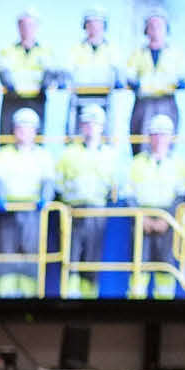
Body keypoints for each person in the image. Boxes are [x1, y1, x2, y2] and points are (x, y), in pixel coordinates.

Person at [121, 112, 185, 297]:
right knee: (139, 269)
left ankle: (164, 313)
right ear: (149, 136)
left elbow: (181, 196)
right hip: (140, 222)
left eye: (164, 134)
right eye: (156, 133)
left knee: (165, 271)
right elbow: (127, 194)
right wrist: (142, 218)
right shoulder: (136, 163)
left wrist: (166, 220)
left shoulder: (179, 164)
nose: (160, 138)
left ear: (171, 137)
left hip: (167, 222)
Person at [54, 103, 122, 288]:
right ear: (81, 126)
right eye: (87, 123)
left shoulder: (110, 155)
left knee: (92, 261)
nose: (91, 127)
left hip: (98, 212)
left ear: (102, 126)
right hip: (72, 213)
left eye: (95, 123)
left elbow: (114, 187)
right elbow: (58, 185)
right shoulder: (68, 154)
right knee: (70, 260)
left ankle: (89, 306)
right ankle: (69, 301)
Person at [0, 107, 56, 289]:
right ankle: (5, 300)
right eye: (20, 127)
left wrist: (45, 200)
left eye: (28, 128)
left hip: (33, 214)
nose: (23, 132)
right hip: (8, 213)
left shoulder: (43, 155)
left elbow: (48, 183)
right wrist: (0, 198)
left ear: (35, 131)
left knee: (31, 256)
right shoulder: (3, 154)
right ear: (13, 130)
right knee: (7, 255)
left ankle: (30, 300)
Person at [124, 7, 185, 144]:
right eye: (151, 26)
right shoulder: (137, 54)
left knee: (166, 143)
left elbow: (182, 77)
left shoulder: (175, 55)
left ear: (166, 29)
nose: (155, 30)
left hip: (167, 103)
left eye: (159, 26)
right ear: (146, 30)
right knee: (142, 141)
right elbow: (129, 75)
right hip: (143, 103)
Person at [63, 5, 123, 133]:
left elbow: (119, 72)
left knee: (105, 133)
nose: (94, 28)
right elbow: (68, 72)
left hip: (105, 99)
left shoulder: (112, 50)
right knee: (77, 133)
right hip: (79, 99)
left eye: (98, 24)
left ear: (104, 26)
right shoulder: (76, 49)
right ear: (85, 26)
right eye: (90, 24)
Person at [0, 7, 52, 140]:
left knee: (36, 137)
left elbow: (49, 73)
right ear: (18, 27)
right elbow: (3, 71)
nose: (27, 29)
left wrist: (44, 85)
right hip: (12, 99)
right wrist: (11, 88)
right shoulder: (7, 50)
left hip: (36, 99)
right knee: (8, 136)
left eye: (31, 25)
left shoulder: (46, 51)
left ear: (37, 27)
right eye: (23, 25)